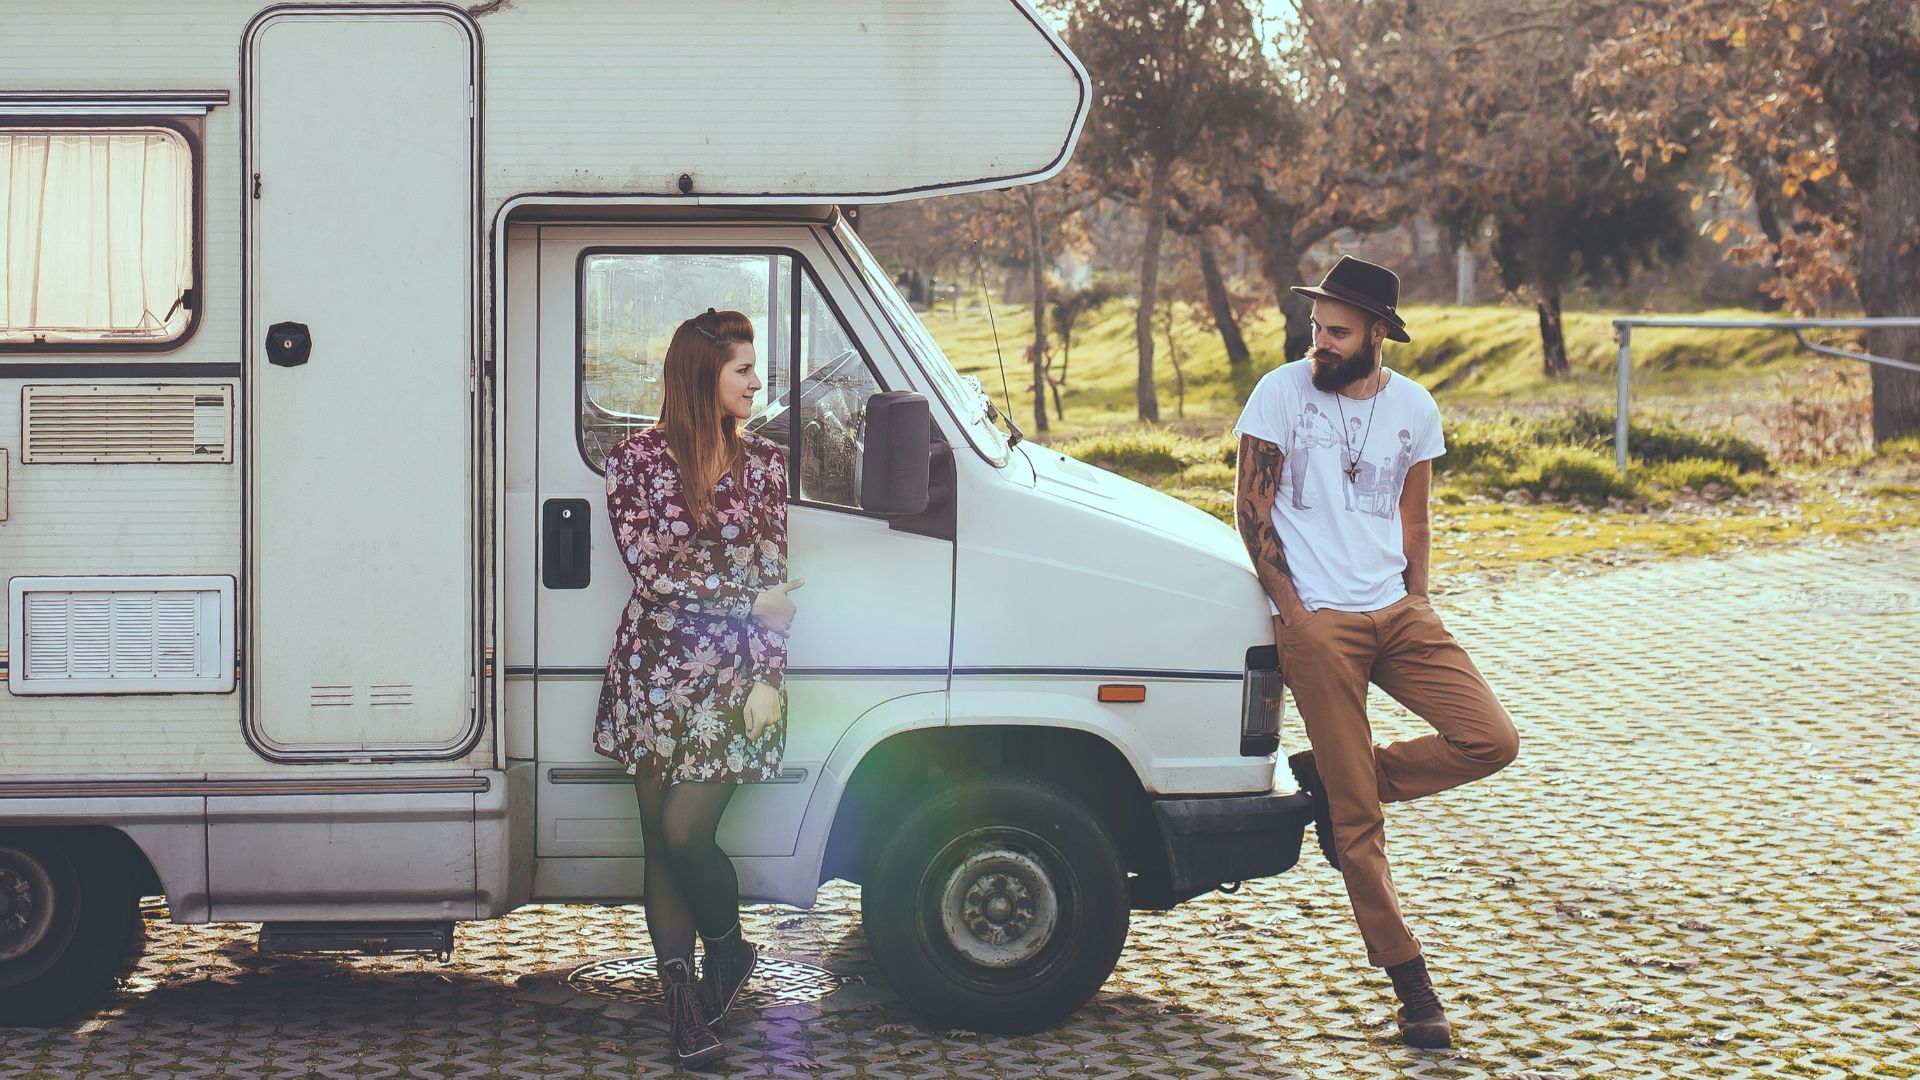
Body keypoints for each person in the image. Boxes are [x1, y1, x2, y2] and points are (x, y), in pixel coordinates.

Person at [1231, 256, 1519, 1049]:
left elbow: (1415, 518)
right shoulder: (1279, 393)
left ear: (1378, 335)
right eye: (1317, 327)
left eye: (1338, 332)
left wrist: (1417, 600)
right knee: (1358, 825)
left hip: (1397, 611)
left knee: (1491, 739)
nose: (1320, 342)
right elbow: (1251, 512)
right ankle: (1414, 990)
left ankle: (1339, 777)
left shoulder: (1414, 407)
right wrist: (1295, 615)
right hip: (1319, 622)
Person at [593, 308, 806, 1070]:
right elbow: (651, 570)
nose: (756, 381)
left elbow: (777, 586)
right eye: (742, 369)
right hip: (652, 674)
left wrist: (768, 679)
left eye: (754, 367)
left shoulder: (767, 464)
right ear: (701, 376)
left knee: (686, 834)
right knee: (658, 840)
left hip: (733, 680)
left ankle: (730, 947)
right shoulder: (633, 462)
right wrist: (747, 601)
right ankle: (682, 1007)